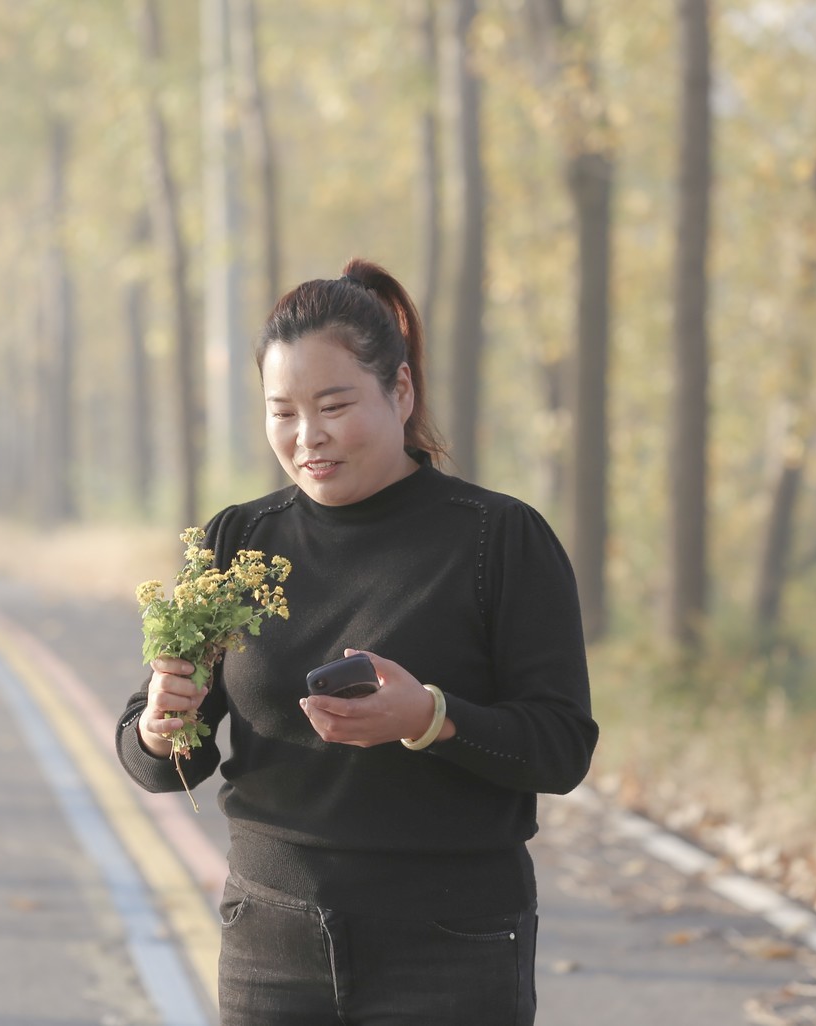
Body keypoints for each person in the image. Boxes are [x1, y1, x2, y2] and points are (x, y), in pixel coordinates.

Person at [116, 257, 599, 1026]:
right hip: (269, 946)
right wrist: (157, 724)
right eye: (282, 412)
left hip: (452, 945)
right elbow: (164, 764)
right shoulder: (235, 541)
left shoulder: (497, 539)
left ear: (400, 391)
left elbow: (562, 748)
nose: (308, 436)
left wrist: (430, 718)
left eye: (334, 405)